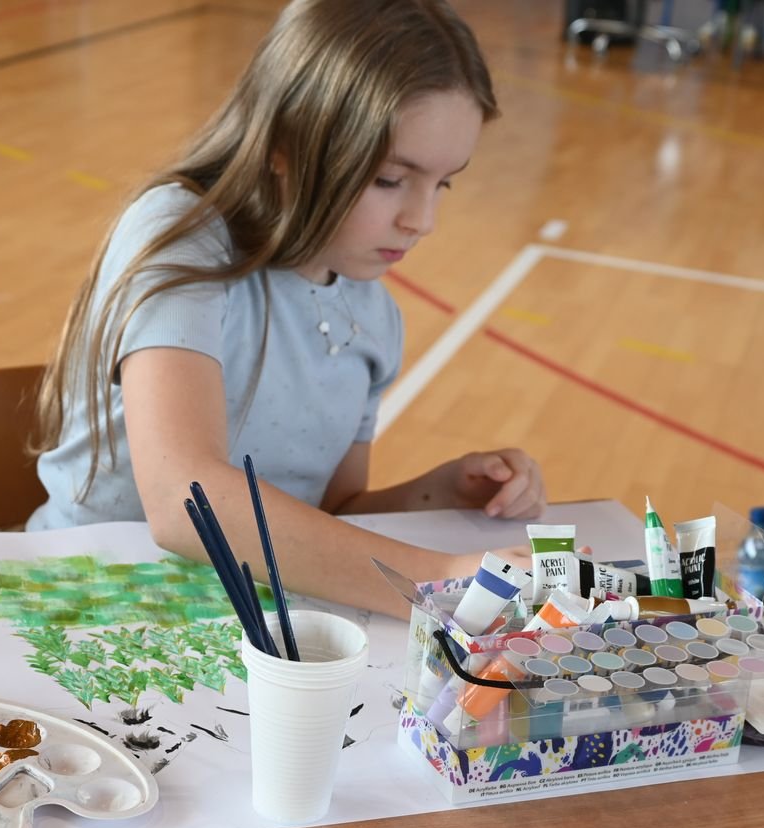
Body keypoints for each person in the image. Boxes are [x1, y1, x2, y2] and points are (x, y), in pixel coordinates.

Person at [28, 0, 549, 617]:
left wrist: (442, 490)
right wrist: (436, 581)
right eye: (389, 179)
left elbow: (330, 516)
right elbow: (183, 501)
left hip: (241, 613)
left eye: (444, 183)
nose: (423, 219)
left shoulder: (375, 317)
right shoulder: (181, 235)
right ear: (286, 147)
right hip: (86, 596)